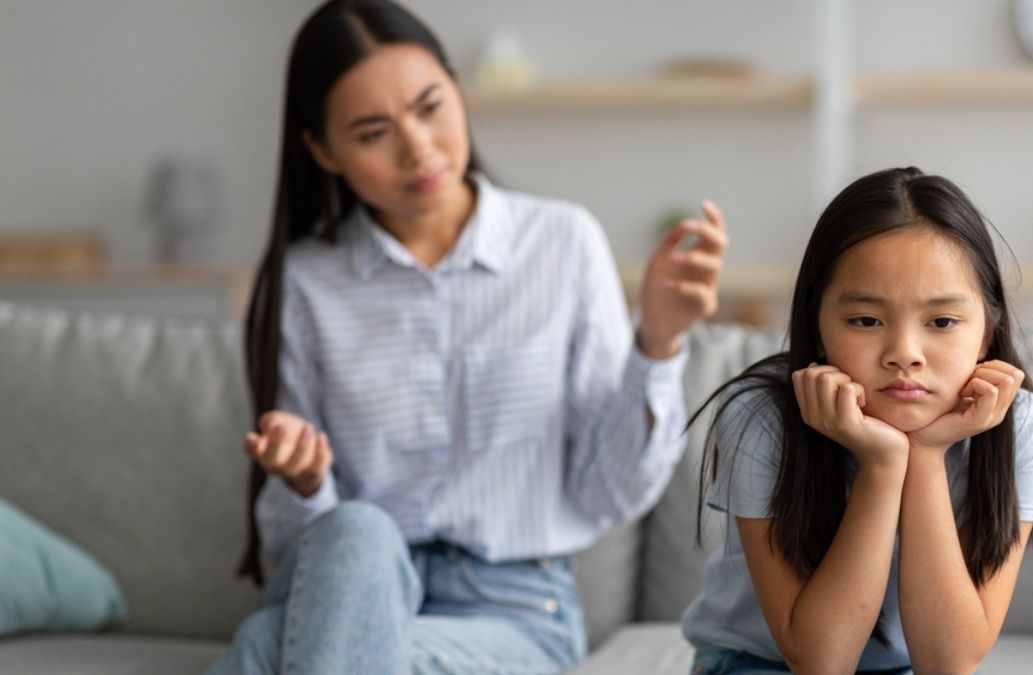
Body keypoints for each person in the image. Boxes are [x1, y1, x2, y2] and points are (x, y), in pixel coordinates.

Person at [205, 1, 727, 673]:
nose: (418, 147)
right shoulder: (304, 286)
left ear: (457, 89)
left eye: (431, 107)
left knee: (258, 652)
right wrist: (306, 483)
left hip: (512, 610)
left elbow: (610, 493)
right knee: (359, 530)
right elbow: (293, 544)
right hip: (346, 579)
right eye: (372, 132)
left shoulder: (562, 243)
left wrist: (657, 343)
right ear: (322, 150)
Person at [681, 167, 1033, 675]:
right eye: (865, 320)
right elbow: (819, 661)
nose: (904, 354)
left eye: (942, 322)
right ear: (816, 328)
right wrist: (882, 466)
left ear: (988, 331)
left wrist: (925, 456)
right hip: (755, 662)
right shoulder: (762, 418)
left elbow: (947, 663)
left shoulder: (1023, 429)